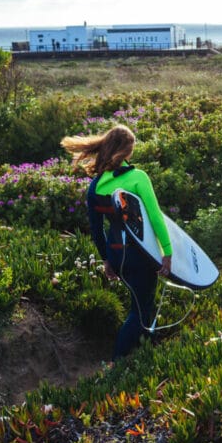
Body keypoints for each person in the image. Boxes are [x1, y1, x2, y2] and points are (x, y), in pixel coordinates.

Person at [61, 125, 173, 362]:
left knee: (143, 302)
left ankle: (148, 349)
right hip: (141, 254)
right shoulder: (137, 177)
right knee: (139, 310)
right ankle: (117, 361)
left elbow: (97, 228)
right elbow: (155, 217)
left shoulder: (96, 185)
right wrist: (168, 252)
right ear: (128, 151)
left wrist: (106, 260)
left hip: (117, 255)